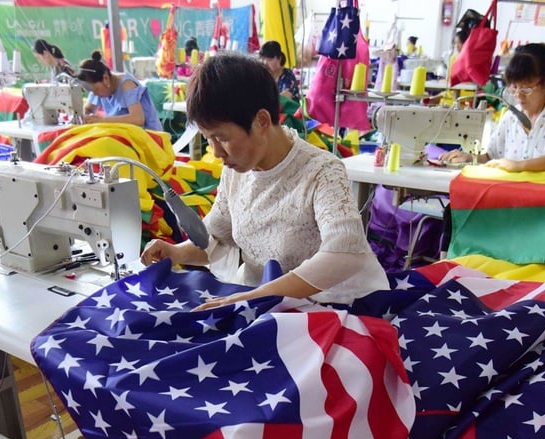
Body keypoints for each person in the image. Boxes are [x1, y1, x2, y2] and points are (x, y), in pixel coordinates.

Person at [139, 53, 388, 309]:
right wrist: (175, 251)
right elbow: (216, 237)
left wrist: (253, 297)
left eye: (221, 138)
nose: (215, 153)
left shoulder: (322, 171)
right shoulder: (236, 171)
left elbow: (345, 253)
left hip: (327, 308)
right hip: (264, 304)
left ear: (261, 121)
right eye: (208, 139)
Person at [440, 43, 545, 172]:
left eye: (526, 89)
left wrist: (521, 166)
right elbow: (492, 156)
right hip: (512, 195)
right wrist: (470, 158)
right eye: (514, 88)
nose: (519, 96)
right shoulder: (511, 117)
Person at [77, 51, 162, 131]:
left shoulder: (127, 85)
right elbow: (88, 109)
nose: (94, 94)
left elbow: (138, 119)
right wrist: (85, 118)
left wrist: (102, 120)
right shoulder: (98, 89)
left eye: (95, 90)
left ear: (105, 78)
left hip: (149, 138)